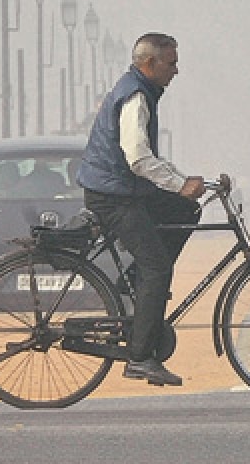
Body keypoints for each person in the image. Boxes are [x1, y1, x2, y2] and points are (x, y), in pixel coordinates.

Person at [76, 33, 203, 387]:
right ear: (149, 64)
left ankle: (137, 284)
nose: (176, 71)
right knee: (157, 268)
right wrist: (179, 184)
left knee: (186, 211)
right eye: (171, 63)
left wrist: (184, 183)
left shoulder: (140, 90)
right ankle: (140, 357)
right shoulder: (135, 97)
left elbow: (148, 159)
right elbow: (137, 158)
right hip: (113, 196)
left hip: (124, 190)